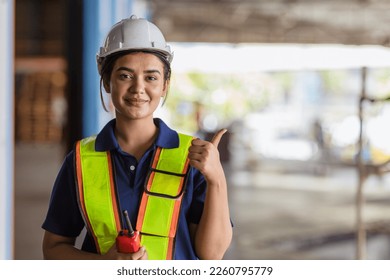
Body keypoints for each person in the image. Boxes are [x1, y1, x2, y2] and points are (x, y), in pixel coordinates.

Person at [41, 15, 232, 260]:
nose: (138, 88)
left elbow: (212, 255)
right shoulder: (81, 159)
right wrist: (103, 265)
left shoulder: (192, 157)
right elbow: (53, 248)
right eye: (125, 76)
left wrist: (216, 179)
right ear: (108, 82)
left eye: (151, 77)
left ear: (164, 85)